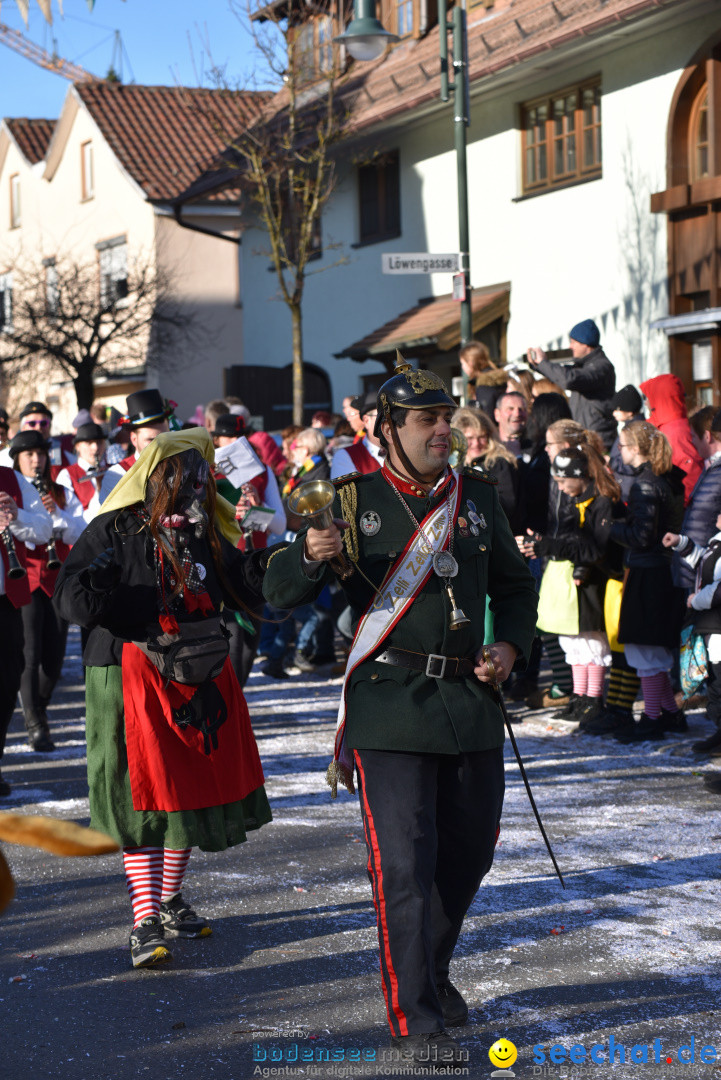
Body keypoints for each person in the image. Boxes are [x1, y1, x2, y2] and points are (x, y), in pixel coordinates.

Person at [263, 356, 538, 1066]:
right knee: (404, 867)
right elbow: (281, 591)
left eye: (447, 416)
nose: (443, 429)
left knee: (468, 857)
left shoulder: (475, 498)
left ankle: (430, 972)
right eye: (426, 419)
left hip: (469, 705)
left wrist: (507, 645)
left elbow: (513, 586)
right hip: (390, 708)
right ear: (388, 429)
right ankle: (415, 1018)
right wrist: (309, 553)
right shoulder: (351, 504)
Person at [54, 428, 272, 968]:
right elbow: (68, 599)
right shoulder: (115, 528)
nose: (199, 484)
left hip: (200, 671)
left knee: (189, 791)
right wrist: (99, 583)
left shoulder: (207, 529)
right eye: (187, 474)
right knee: (141, 799)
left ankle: (169, 898)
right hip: (131, 675)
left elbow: (245, 585)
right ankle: (144, 917)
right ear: (156, 476)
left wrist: (290, 560)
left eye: (203, 473)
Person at [523, 447, 620, 727]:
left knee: (590, 642)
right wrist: (544, 541)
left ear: (579, 476)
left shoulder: (601, 502)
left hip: (592, 584)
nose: (560, 487)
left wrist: (550, 546)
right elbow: (570, 540)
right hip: (575, 581)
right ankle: (579, 697)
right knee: (575, 643)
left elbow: (594, 549)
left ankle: (593, 700)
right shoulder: (572, 501)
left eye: (564, 481)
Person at [609, 421, 687, 742]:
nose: (620, 451)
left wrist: (607, 526)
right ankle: (670, 713)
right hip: (659, 571)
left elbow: (642, 536)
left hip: (649, 573)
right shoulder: (660, 479)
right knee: (650, 650)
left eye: (623, 446)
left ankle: (652, 717)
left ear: (637, 448)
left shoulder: (645, 484)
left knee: (646, 651)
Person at [9, 431, 85, 751]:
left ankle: (39, 705)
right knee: (30, 653)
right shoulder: (9, 489)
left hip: (55, 580)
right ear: (17, 459)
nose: (36, 460)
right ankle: (34, 723)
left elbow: (81, 530)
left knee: (54, 659)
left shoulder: (61, 490)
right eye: (28, 455)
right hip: (24, 577)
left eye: (40, 454)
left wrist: (57, 515)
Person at [212, 413, 286, 686]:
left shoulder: (262, 471)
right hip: (220, 562)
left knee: (248, 645)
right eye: (228, 438)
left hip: (254, 565)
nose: (234, 444)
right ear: (217, 440)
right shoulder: (206, 470)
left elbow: (279, 525)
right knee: (229, 639)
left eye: (240, 438)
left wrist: (256, 512)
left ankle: (236, 703)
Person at [0, 459, 53, 795]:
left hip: (5, 600)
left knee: (6, 683)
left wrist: (15, 516)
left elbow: (45, 529)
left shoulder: (11, 478)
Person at [664, 514, 721, 755]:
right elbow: (704, 566)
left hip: (718, 625)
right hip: (710, 624)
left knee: (720, 684)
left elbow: (719, 588)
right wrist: (682, 543)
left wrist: (695, 600)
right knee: (715, 684)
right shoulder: (717, 542)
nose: (717, 515)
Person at [527, 319, 617, 449]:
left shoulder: (602, 367)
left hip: (599, 440)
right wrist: (537, 365)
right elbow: (564, 374)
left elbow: (569, 379)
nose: (570, 346)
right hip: (585, 437)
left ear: (585, 344)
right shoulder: (584, 366)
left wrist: (543, 363)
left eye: (573, 342)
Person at [451, 407, 522, 534]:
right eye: (469, 438)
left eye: (481, 437)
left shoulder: (499, 462)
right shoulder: (453, 463)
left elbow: (507, 504)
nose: (476, 443)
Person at [672, 408, 721, 591]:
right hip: (696, 565)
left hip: (708, 572)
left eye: (693, 436)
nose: (691, 441)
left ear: (707, 436)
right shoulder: (711, 468)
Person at [640, 373, 703, 505]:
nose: (646, 402)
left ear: (660, 399)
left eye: (648, 397)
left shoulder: (675, 431)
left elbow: (690, 473)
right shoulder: (667, 426)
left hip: (682, 507)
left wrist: (680, 506)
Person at [100, 390, 172, 502]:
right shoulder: (118, 476)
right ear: (134, 439)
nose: (160, 446)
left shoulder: (182, 464)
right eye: (151, 440)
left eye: (165, 437)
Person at [56, 422, 108, 523]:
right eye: (89, 443)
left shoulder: (114, 469)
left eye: (99, 442)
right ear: (77, 446)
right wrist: (99, 490)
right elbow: (72, 520)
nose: (95, 447)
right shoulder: (66, 476)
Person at [330, 392, 384, 478]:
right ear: (366, 421)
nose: (389, 423)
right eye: (382, 417)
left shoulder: (403, 451)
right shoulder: (345, 457)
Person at [608, 385, 645, 503]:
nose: (614, 413)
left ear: (629, 411)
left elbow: (635, 464)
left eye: (618, 409)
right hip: (626, 486)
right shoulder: (630, 427)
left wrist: (611, 462)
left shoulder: (635, 431)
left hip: (630, 489)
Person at [458, 340, 507, 414]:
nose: (462, 367)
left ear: (471, 363)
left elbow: (486, 416)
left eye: (463, 363)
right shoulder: (497, 378)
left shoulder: (484, 385)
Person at [493, 392, 529, 458]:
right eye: (510, 409)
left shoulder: (536, 447)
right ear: (497, 414)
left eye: (521, 409)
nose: (517, 414)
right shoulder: (487, 445)